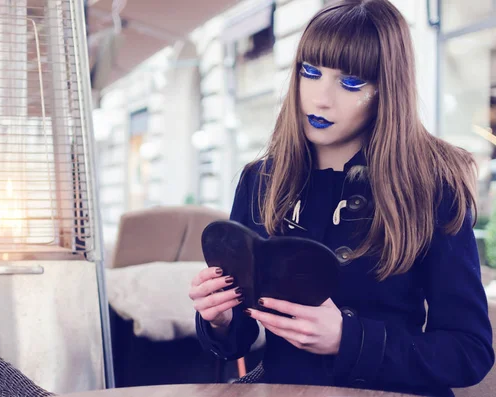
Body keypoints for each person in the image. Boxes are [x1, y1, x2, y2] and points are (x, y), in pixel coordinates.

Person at [188, 0, 495, 396]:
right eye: (310, 73)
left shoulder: (433, 184)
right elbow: (238, 340)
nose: (321, 99)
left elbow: (467, 353)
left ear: (387, 89)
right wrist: (219, 318)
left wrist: (350, 339)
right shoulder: (260, 180)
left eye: (350, 83)